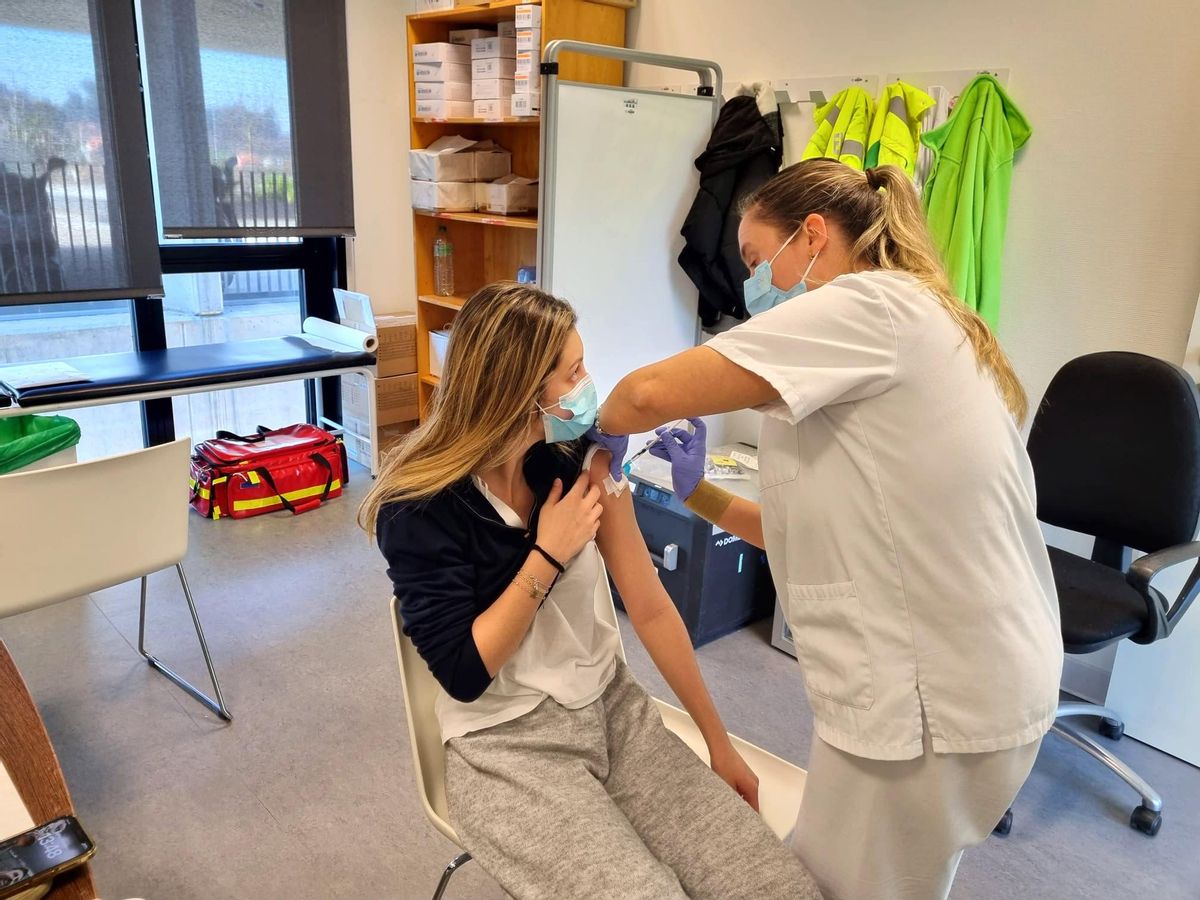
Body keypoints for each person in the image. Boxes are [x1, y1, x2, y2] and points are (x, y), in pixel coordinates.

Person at [591, 159, 1064, 900]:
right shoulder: (913, 316)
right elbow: (802, 535)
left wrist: (599, 426)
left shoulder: (868, 309)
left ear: (812, 235)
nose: (755, 282)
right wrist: (697, 494)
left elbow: (646, 392)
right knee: (832, 870)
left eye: (755, 259)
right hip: (972, 673)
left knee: (836, 885)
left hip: (936, 696)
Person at [360, 283, 820, 900]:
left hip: (613, 710)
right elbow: (466, 673)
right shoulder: (418, 509)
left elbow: (651, 606)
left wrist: (720, 743)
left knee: (773, 884)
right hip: (508, 747)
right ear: (521, 392)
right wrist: (550, 551)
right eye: (574, 371)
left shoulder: (574, 458)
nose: (589, 385)